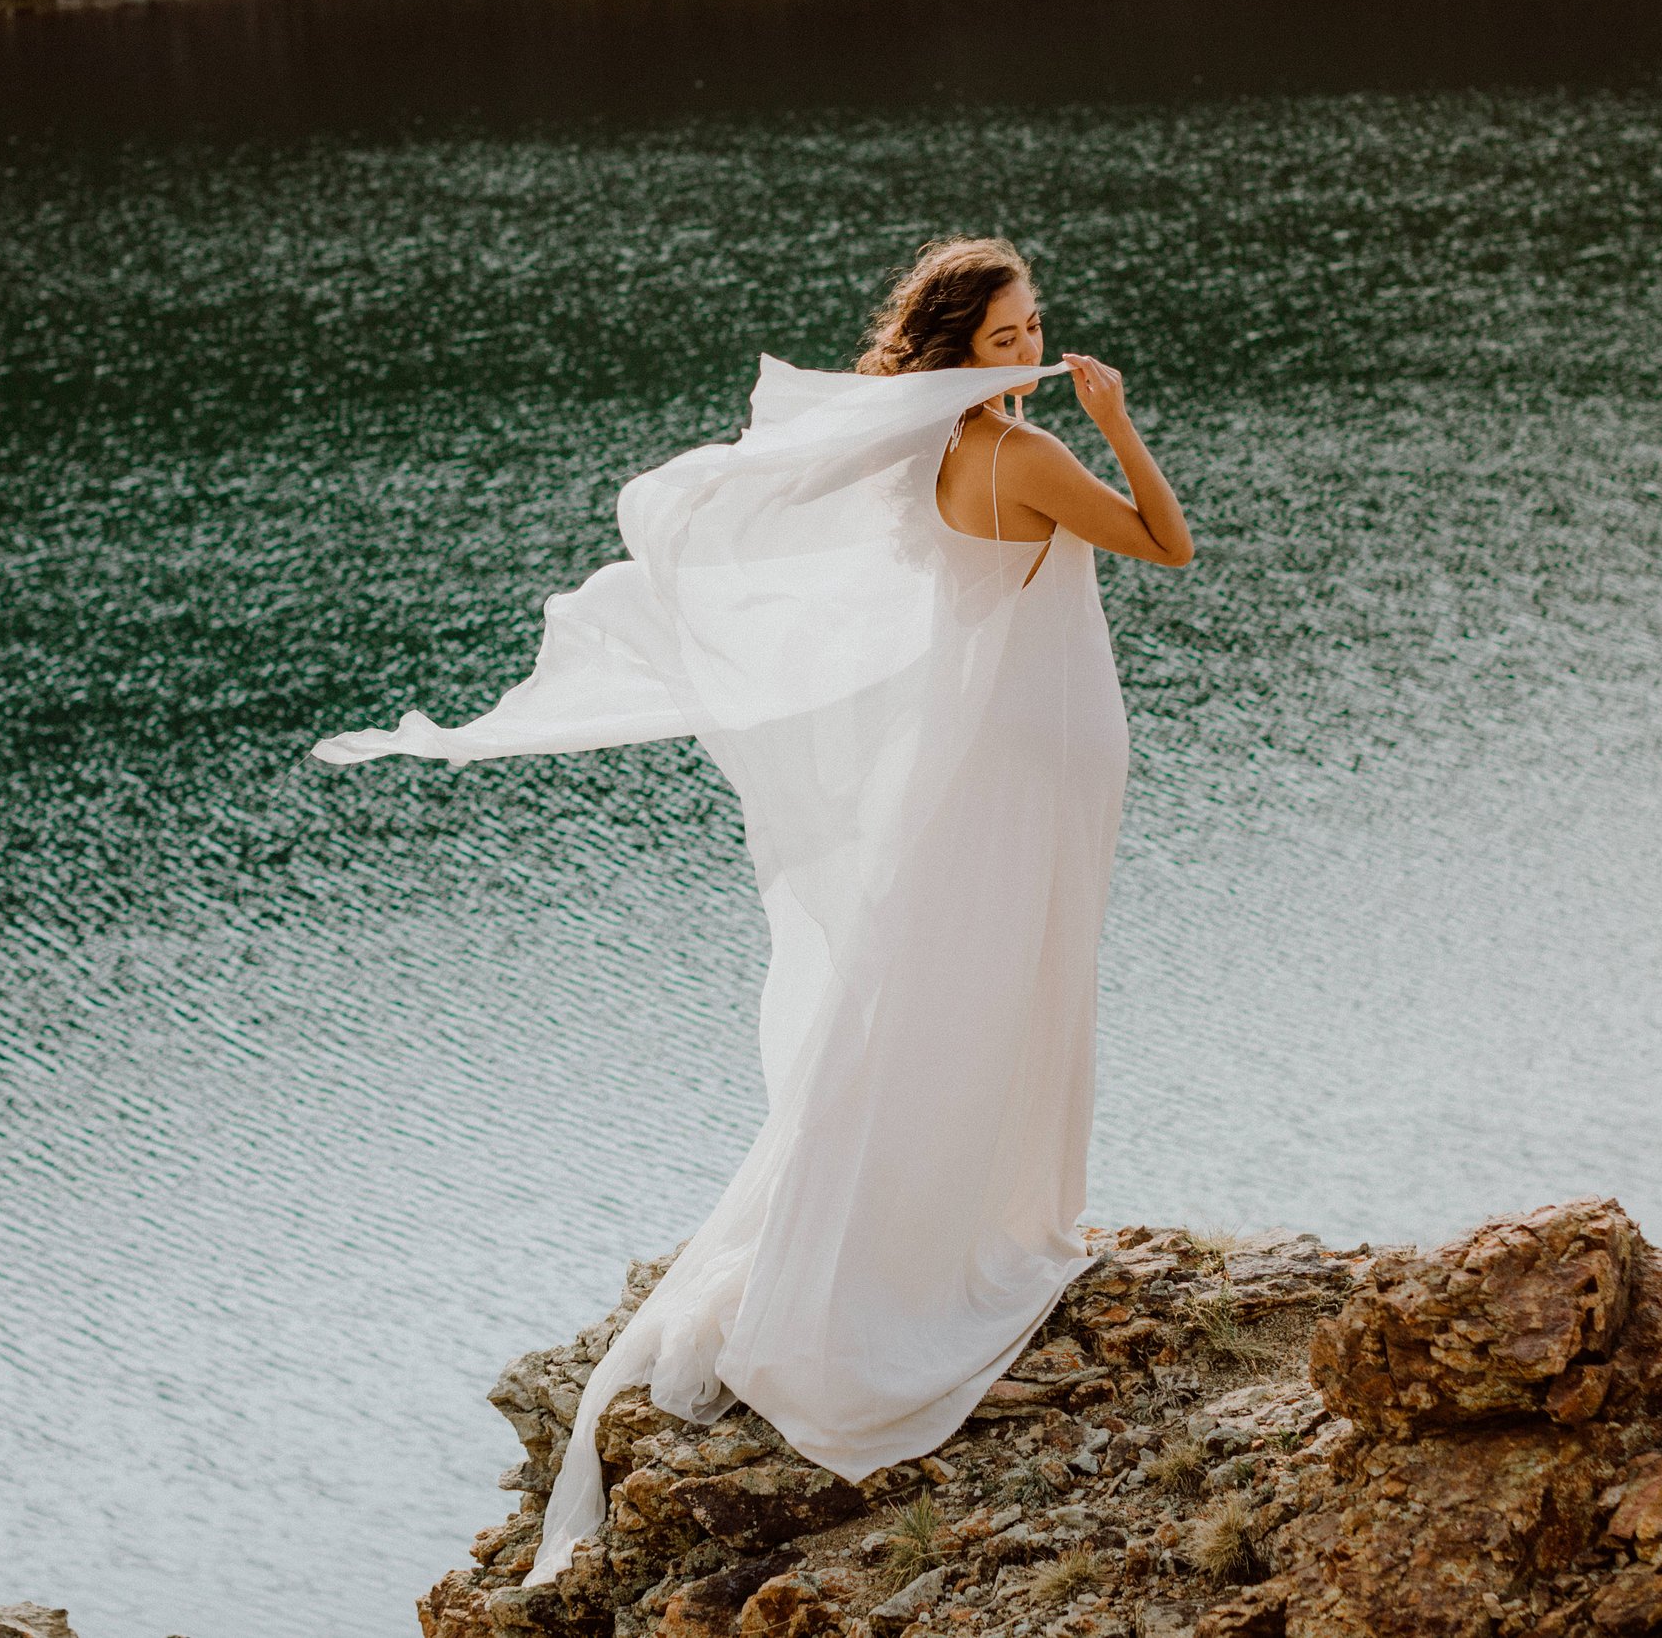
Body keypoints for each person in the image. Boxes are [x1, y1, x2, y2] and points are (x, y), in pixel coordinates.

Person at [308, 234, 1191, 1589]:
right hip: (1032, 762)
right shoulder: (1021, 458)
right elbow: (1168, 547)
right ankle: (975, 1244)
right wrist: (1120, 420)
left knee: (951, 1001)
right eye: (1010, 336)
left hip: (983, 762)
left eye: (1033, 331)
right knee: (1016, 992)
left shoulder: (929, 461)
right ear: (958, 350)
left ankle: (946, 1225)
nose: (1032, 350)